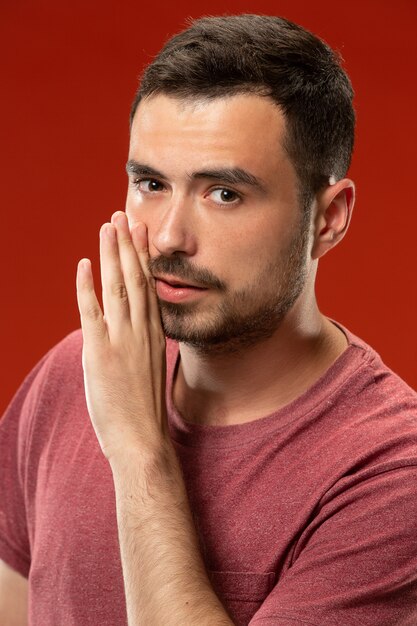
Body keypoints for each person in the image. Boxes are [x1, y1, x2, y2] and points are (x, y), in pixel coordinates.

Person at [1, 13, 416, 626]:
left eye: (224, 193)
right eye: (150, 183)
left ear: (328, 218)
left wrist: (140, 452)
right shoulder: (74, 371)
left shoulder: (389, 473)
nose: (169, 237)